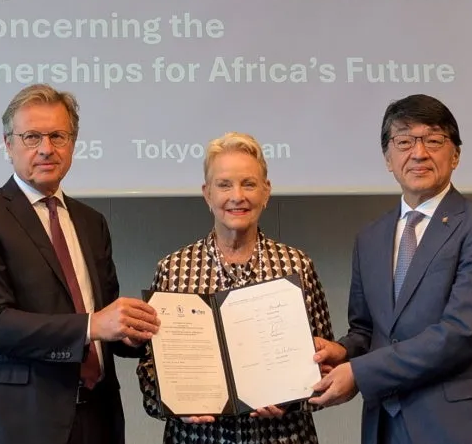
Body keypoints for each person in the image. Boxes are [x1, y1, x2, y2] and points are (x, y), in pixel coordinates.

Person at [0, 83, 160, 444]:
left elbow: (106, 324)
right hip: (20, 423)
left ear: (72, 144)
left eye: (58, 136)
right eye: (32, 137)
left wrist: (136, 331)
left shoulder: (91, 222)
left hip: (98, 418)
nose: (46, 148)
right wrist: (92, 325)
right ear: (8, 144)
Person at [309, 94, 472, 444]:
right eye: (404, 141)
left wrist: (359, 372)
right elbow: (367, 330)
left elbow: (462, 333)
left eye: (433, 140)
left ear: (456, 155)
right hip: (385, 425)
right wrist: (343, 352)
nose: (418, 153)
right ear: (388, 158)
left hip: (459, 425)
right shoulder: (370, 238)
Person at [136, 132, 334, 444]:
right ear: (207, 194)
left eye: (249, 184)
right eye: (224, 184)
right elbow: (150, 368)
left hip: (282, 436)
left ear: (266, 191)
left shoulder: (297, 266)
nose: (237, 196)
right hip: (196, 437)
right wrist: (174, 404)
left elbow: (326, 365)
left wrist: (294, 399)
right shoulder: (173, 269)